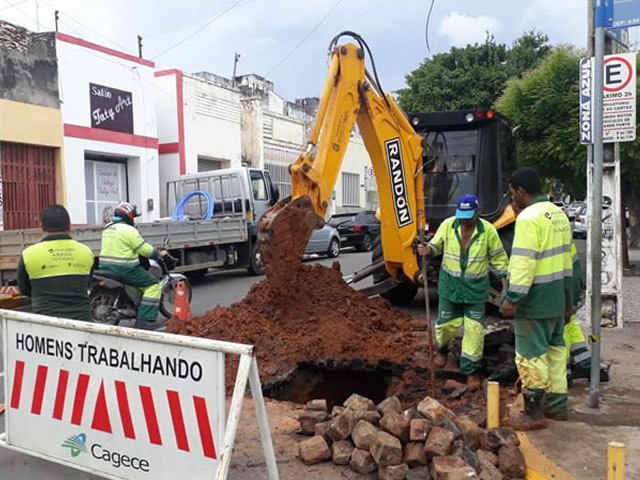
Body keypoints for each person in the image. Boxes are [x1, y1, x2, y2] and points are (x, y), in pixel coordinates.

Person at [502, 167, 573, 429]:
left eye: (512, 194)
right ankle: (557, 408)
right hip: (558, 300)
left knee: (531, 357)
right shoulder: (559, 215)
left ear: (521, 191)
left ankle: (533, 413)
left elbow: (523, 264)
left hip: (535, 302)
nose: (512, 200)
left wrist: (512, 297)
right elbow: (570, 263)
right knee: (555, 355)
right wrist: (569, 300)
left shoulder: (529, 218)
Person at [418, 193, 509, 391]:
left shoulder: (488, 232)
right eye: (461, 215)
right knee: (444, 326)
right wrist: (428, 250)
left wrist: (505, 285)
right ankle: (442, 351)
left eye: (469, 216)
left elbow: (500, 260)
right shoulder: (449, 225)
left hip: (475, 290)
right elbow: (436, 245)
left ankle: (471, 370)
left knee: (474, 331)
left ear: (478, 212)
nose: (464, 220)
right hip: (450, 287)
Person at [17, 205, 94, 320]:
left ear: (41, 226)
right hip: (81, 323)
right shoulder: (86, 252)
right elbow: (87, 284)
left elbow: (25, 290)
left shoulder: (28, 254)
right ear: (69, 225)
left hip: (45, 324)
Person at [99, 202, 167, 330]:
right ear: (129, 216)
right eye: (133, 217)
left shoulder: (108, 228)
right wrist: (157, 253)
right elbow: (145, 250)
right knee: (153, 285)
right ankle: (145, 321)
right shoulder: (129, 230)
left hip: (105, 266)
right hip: (125, 268)